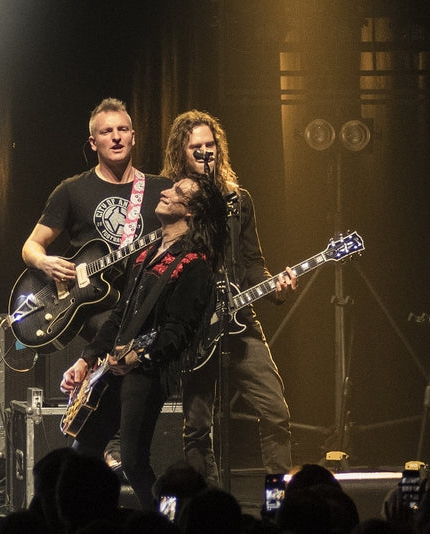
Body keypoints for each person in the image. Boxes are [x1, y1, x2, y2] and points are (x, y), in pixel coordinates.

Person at [59, 174, 228, 510]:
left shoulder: (194, 264)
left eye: (178, 192)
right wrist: (86, 359)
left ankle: (166, 521)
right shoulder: (147, 253)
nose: (165, 191)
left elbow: (177, 333)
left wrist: (137, 357)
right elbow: (120, 315)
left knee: (134, 461)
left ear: (191, 213)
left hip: (146, 374)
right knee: (84, 450)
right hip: (113, 369)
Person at [161, 110, 296, 482]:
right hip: (197, 327)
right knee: (199, 427)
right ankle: (210, 508)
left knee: (275, 411)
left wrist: (275, 289)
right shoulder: (174, 203)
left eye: (211, 146)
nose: (206, 153)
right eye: (196, 148)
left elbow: (253, 263)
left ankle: (277, 503)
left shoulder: (239, 200)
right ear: (182, 154)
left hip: (241, 322)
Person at [21, 97, 172, 342]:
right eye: (106, 131)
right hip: (97, 309)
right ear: (93, 143)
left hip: (148, 304)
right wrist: (45, 262)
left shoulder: (162, 189)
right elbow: (31, 246)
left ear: (133, 137)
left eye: (122, 130)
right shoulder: (71, 190)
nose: (116, 137)